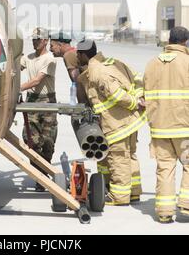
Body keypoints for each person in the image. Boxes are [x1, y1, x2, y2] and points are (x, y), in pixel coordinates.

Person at [76, 38, 146, 206]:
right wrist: (138, 97)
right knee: (129, 156)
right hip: (130, 121)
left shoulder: (96, 72)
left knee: (118, 159)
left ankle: (120, 197)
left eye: (78, 54)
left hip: (116, 123)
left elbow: (115, 95)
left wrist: (133, 102)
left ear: (84, 55)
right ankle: (134, 193)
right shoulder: (114, 62)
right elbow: (137, 78)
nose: (77, 57)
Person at [144, 26, 189, 223]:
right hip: (184, 127)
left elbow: (143, 93)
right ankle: (187, 205)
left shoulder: (152, 64)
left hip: (160, 128)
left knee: (165, 168)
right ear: (185, 42)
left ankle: (164, 212)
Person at [20, 27, 57, 191]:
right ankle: (38, 176)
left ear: (45, 41)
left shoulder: (50, 59)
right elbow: (13, 64)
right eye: (33, 39)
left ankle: (45, 171)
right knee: (31, 140)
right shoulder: (28, 58)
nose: (35, 42)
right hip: (32, 100)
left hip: (47, 101)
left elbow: (36, 81)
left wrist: (17, 88)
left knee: (47, 140)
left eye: (38, 39)